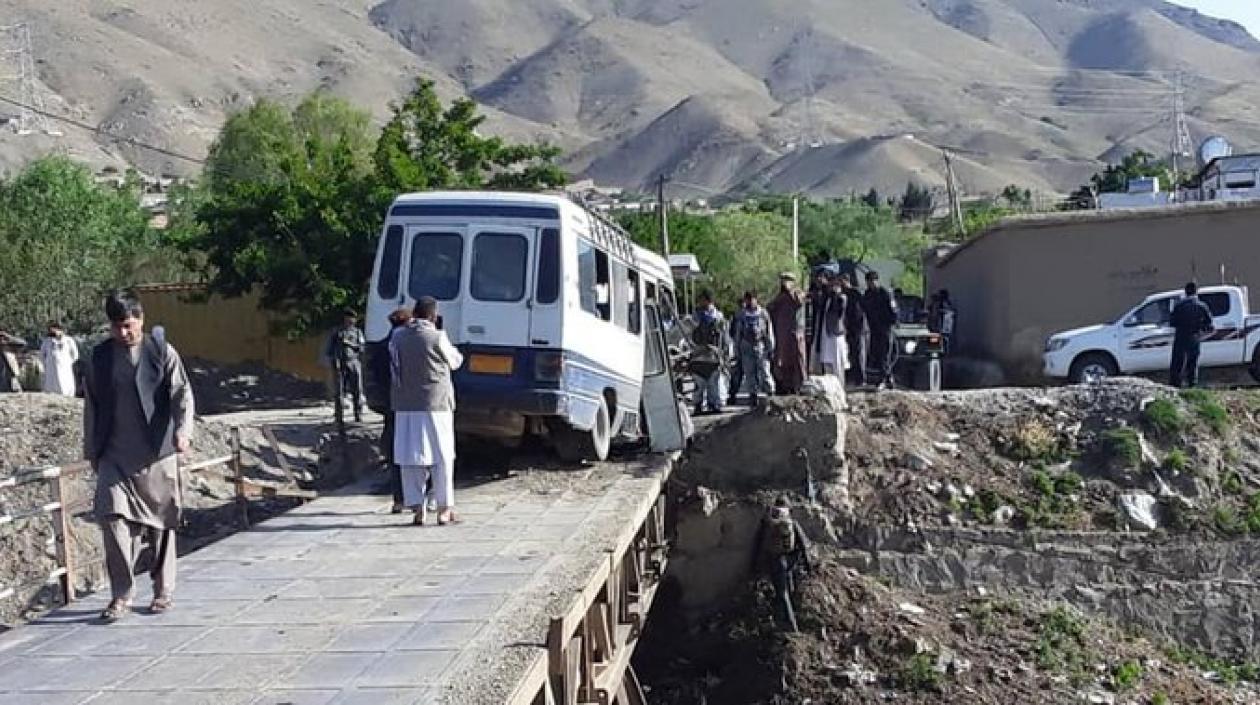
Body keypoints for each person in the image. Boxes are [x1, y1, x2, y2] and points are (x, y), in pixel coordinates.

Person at [83, 292, 195, 622]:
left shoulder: (160, 350)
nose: (123, 334)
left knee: (160, 524)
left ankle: (163, 590)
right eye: (117, 327)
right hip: (115, 454)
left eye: (128, 326)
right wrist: (91, 448)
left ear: (141, 319)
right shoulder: (100, 357)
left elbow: (182, 394)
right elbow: (91, 405)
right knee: (111, 516)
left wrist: (183, 431)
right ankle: (122, 594)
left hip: (155, 453)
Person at [391, 296, 465, 526]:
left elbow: (395, 367)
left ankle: (417, 508)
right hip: (436, 406)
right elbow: (455, 361)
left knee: (410, 459)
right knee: (442, 457)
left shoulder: (398, 336)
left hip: (405, 405)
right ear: (433, 315)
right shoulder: (437, 336)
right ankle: (444, 509)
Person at [750, 496, 812, 632]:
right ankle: (792, 625)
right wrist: (808, 565)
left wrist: (754, 565)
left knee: (782, 594)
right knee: (785, 592)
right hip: (788, 560)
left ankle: (790, 626)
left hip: (774, 560)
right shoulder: (791, 522)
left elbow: (758, 545)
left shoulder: (767, 523)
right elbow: (803, 545)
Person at [378, 307, 413, 514]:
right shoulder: (409, 346)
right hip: (409, 406)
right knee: (413, 452)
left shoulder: (381, 347)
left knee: (395, 454)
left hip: (390, 407)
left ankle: (398, 498)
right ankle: (416, 497)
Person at [688, 291, 729, 415]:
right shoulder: (693, 318)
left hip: (714, 356)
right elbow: (688, 335)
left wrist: (725, 354)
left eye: (702, 300)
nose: (700, 303)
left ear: (709, 301)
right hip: (698, 355)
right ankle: (698, 405)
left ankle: (714, 404)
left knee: (713, 384)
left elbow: (724, 337)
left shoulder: (719, 318)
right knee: (698, 384)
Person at [731, 291, 775, 407]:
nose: (750, 302)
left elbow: (769, 332)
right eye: (747, 299)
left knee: (765, 371)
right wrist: (737, 350)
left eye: (752, 299)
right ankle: (753, 396)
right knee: (749, 373)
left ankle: (770, 395)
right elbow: (737, 334)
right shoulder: (741, 315)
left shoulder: (763, 314)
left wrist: (770, 348)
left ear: (756, 299)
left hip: (760, 346)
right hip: (746, 346)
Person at [767, 273, 808, 395]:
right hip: (782, 333)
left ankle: (800, 384)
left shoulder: (798, 293)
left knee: (798, 359)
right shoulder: (780, 296)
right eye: (782, 281)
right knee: (783, 360)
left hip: (795, 333)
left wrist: (790, 291)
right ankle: (786, 385)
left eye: (786, 280)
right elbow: (770, 307)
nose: (783, 283)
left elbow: (799, 302)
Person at [1169, 282, 1214, 388]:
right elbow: (1209, 323)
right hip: (1194, 336)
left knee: (1177, 362)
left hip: (1180, 336)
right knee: (1192, 362)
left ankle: (1175, 384)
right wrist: (1201, 328)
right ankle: (1192, 384)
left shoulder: (1178, 306)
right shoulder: (1202, 306)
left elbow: (1172, 322)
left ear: (1185, 292)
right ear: (1196, 291)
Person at [326, 310, 366, 423]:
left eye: (352, 318)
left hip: (354, 362)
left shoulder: (358, 332)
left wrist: (349, 343)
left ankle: (358, 415)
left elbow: (362, 348)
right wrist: (335, 362)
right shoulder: (337, 332)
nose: (350, 320)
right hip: (340, 363)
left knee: (357, 390)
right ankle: (339, 416)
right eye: (348, 318)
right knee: (339, 392)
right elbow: (330, 350)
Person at [862, 271, 899, 389]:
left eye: (872, 281)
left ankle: (883, 379)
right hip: (874, 328)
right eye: (869, 282)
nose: (870, 284)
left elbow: (894, 310)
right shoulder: (868, 294)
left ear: (876, 281)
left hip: (885, 327)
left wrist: (893, 323)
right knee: (877, 354)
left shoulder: (885, 294)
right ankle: (888, 377)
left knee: (886, 353)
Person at [811, 274, 848, 378]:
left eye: (834, 286)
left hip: (836, 332)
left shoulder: (842, 297)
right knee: (827, 359)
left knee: (837, 360)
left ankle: (840, 381)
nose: (832, 288)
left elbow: (840, 310)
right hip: (826, 332)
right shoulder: (827, 298)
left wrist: (836, 295)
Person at [840, 275, 869, 388]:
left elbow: (859, 312)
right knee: (851, 353)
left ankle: (861, 379)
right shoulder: (843, 294)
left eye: (842, 282)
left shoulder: (855, 294)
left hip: (859, 328)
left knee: (859, 353)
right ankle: (853, 377)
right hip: (849, 328)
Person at [40, 322, 80, 397]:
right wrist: (46, 363)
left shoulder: (69, 340)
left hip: (65, 366)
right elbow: (42, 354)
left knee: (65, 380)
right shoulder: (47, 341)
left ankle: (67, 393)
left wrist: (69, 362)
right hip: (51, 366)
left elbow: (75, 355)